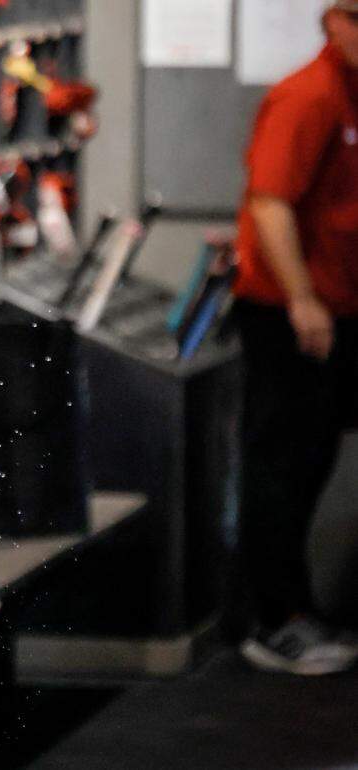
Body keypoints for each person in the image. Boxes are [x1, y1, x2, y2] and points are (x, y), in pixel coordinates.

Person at [232, 0, 358, 676]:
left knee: (309, 466)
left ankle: (297, 609)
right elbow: (270, 201)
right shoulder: (308, 95)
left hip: (341, 308)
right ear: (334, 22)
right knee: (285, 466)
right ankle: (274, 620)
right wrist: (304, 301)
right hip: (294, 315)